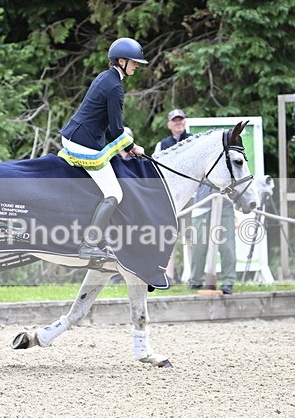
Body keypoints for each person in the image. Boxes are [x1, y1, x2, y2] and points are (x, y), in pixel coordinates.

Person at [58, 37, 147, 261]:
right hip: (82, 142)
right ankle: (89, 244)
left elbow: (109, 126)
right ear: (121, 61)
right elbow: (117, 130)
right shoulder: (115, 87)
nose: (136, 66)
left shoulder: (105, 77)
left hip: (77, 135)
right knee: (115, 192)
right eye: (134, 62)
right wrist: (133, 147)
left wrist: (124, 147)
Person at [155, 109, 193, 282]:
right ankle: (168, 275)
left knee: (191, 235)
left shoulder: (193, 140)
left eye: (181, 120)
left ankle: (191, 274)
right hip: (169, 198)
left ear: (184, 122)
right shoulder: (162, 144)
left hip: (190, 196)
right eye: (175, 120)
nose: (178, 123)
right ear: (169, 124)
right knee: (168, 235)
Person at [188, 181, 237, 294]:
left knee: (227, 247)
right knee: (198, 247)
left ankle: (228, 281)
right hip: (201, 204)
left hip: (225, 204)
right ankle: (195, 280)